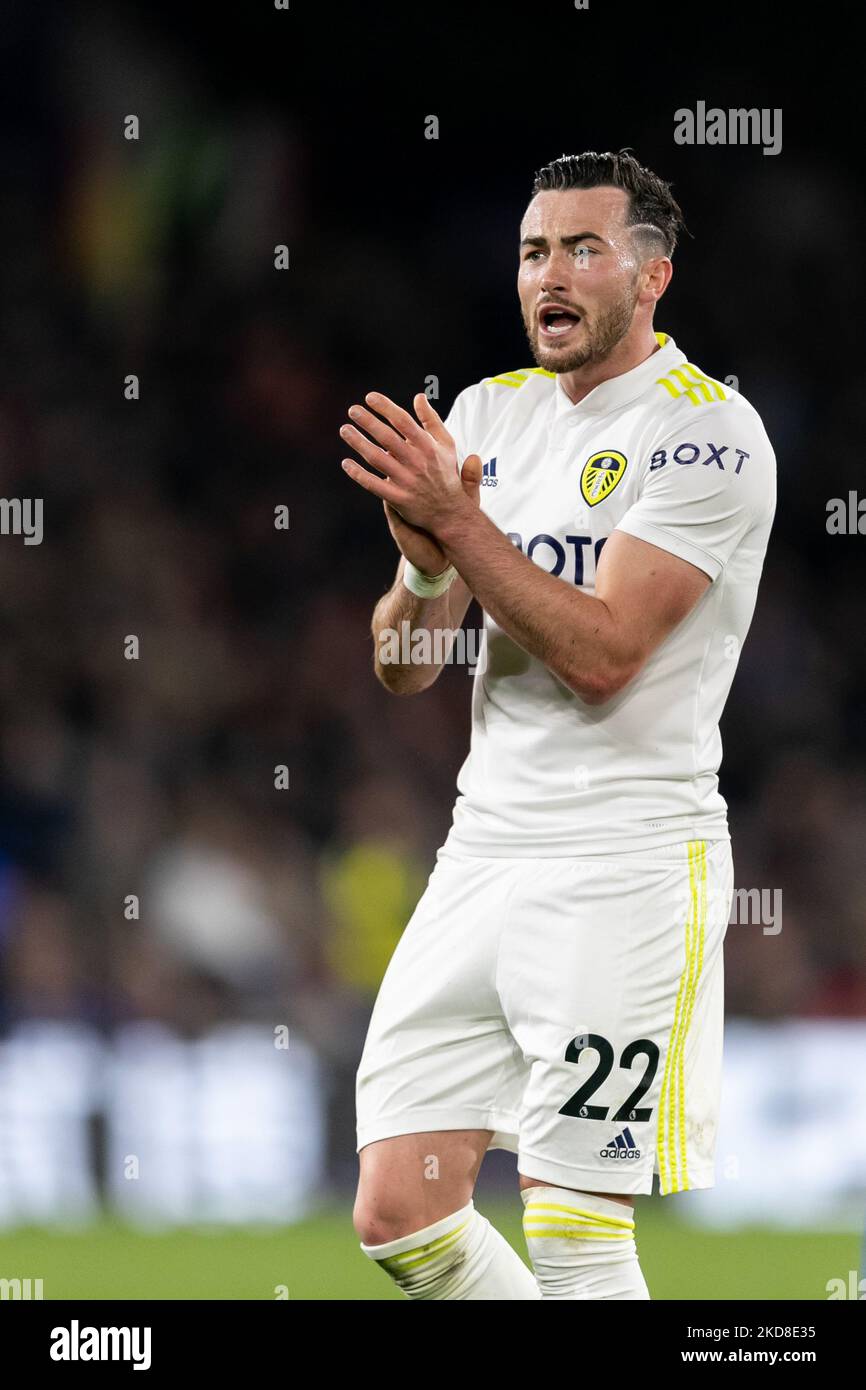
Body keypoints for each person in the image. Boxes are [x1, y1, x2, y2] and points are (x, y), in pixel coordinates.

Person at [339, 150, 776, 1299]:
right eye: (534, 250)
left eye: (584, 248)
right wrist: (425, 578)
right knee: (397, 1214)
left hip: (623, 863)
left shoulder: (708, 437)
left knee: (576, 1233)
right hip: (484, 847)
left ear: (651, 277)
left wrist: (463, 533)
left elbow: (602, 655)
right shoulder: (488, 415)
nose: (552, 272)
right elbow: (403, 671)